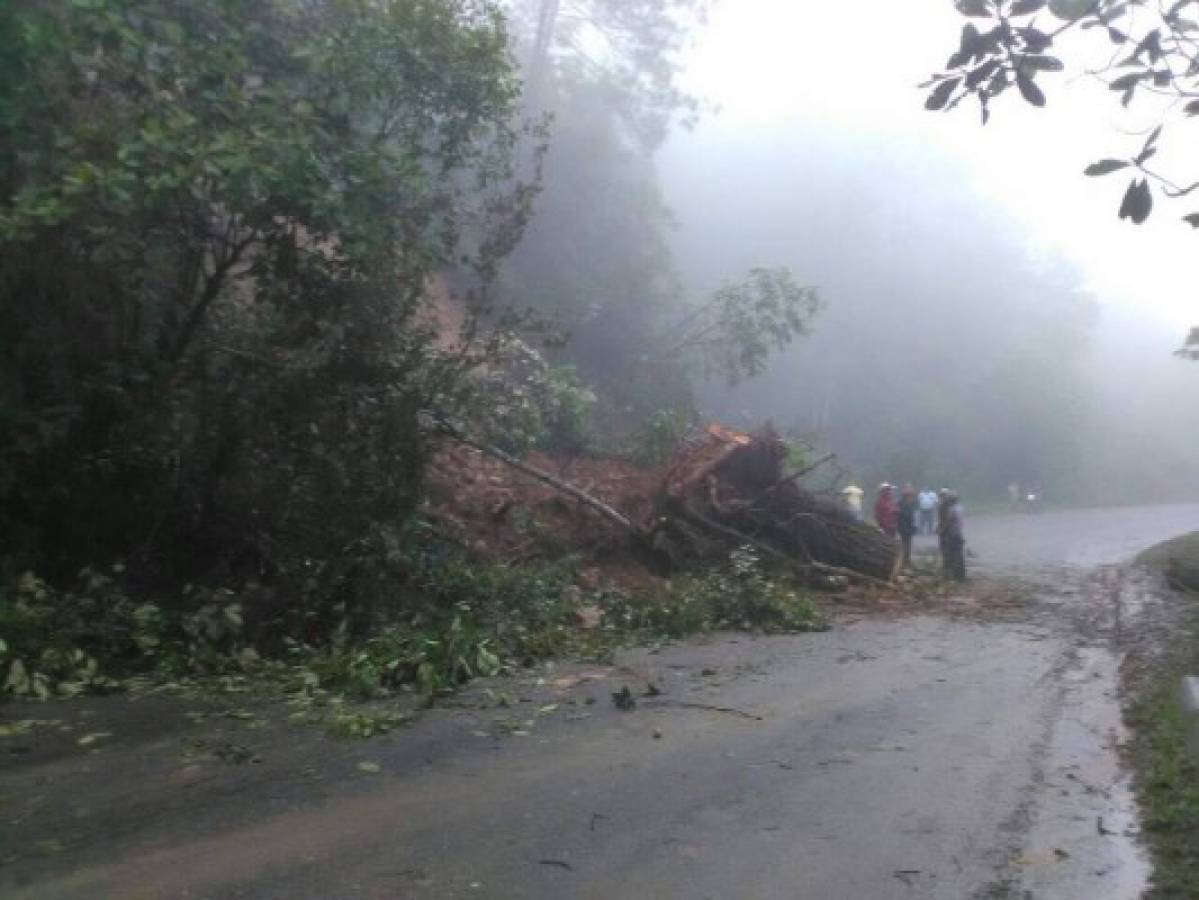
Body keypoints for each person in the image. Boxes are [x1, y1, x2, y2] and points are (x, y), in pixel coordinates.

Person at [940, 490, 967, 581]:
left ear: (951, 500)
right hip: (959, 533)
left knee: (952, 555)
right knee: (959, 555)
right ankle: (961, 575)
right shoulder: (961, 508)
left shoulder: (952, 509)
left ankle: (955, 575)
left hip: (952, 534)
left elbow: (948, 522)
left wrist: (941, 530)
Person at [897, 484, 918, 571]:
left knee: (908, 544)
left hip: (908, 527)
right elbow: (905, 515)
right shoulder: (901, 504)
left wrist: (914, 526)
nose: (911, 498)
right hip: (904, 527)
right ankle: (904, 561)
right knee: (904, 544)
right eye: (909, 496)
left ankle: (907, 560)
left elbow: (914, 515)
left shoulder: (912, 504)